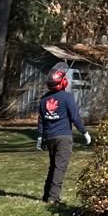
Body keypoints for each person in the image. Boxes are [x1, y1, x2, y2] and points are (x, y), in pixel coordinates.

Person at [35, 65, 93, 203]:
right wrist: (84, 133)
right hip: (64, 137)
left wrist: (40, 137)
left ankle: (46, 195)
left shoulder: (44, 99)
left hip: (50, 136)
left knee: (53, 166)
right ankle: (53, 198)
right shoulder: (67, 98)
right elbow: (75, 117)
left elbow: (41, 120)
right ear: (62, 82)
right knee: (60, 167)